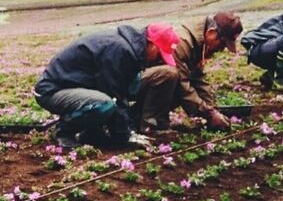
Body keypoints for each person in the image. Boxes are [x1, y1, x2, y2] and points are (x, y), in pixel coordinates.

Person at [35, 11, 243, 146]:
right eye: (160, 55)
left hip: (82, 87)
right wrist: (124, 137)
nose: (160, 60)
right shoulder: (119, 51)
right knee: (105, 104)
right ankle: (63, 131)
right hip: (54, 90)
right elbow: (115, 95)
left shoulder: (133, 52)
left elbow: (122, 90)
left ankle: (96, 131)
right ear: (151, 45)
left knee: (122, 94)